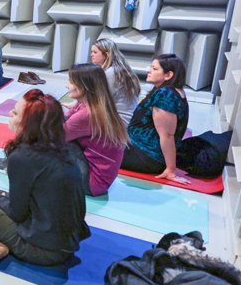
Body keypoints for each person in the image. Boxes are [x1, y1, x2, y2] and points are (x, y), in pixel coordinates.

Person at [0, 89, 90, 265]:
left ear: (29, 123)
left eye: (16, 112)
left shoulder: (23, 156)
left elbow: (17, 214)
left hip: (41, 250)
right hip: (67, 241)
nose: (10, 113)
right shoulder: (63, 147)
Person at [121, 53, 190, 184]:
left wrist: (170, 169)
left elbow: (167, 135)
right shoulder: (171, 90)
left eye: (154, 68)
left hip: (145, 156)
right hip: (140, 149)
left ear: (168, 75)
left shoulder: (165, 95)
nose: (149, 70)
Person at [60, 63, 129, 196]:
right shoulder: (89, 103)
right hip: (98, 178)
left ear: (84, 86)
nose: (66, 86)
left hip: (93, 183)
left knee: (55, 141)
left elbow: (52, 137)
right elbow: (64, 119)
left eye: (70, 82)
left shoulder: (88, 114)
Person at [90, 38, 141, 125]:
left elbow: (97, 100)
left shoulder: (111, 73)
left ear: (106, 55)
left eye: (95, 52)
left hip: (119, 123)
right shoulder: (117, 70)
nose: (91, 55)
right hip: (126, 120)